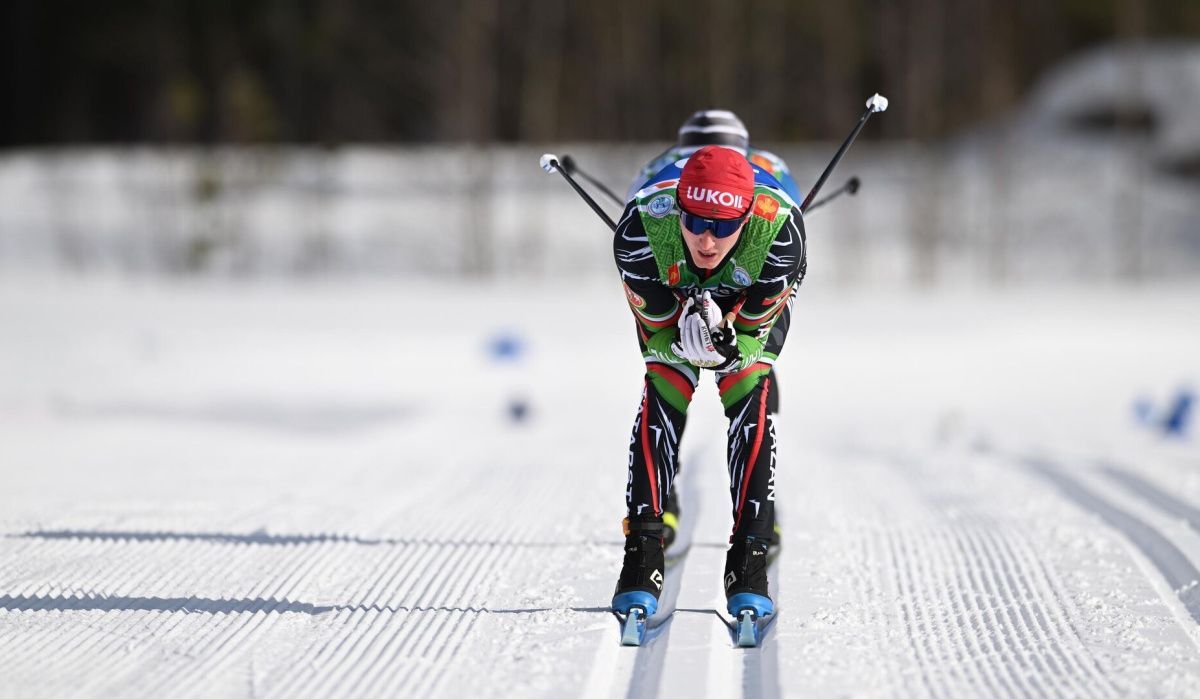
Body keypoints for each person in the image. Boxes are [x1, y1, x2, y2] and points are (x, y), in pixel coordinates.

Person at [611, 145, 806, 622]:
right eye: (696, 222)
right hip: (670, 291)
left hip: (749, 294)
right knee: (665, 384)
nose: (707, 241)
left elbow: (755, 327)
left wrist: (728, 336)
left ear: (745, 218)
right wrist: (685, 324)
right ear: (678, 208)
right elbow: (657, 322)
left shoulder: (779, 235)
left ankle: (749, 554)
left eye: (722, 227)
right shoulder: (638, 231)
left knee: (746, 385)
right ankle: (643, 549)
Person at [627, 110, 795, 555]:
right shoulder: (658, 173)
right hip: (679, 276)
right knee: (670, 374)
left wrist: (737, 329)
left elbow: (788, 231)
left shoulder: (770, 170)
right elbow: (642, 220)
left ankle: (756, 506)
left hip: (743, 276)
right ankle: (667, 497)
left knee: (751, 371)